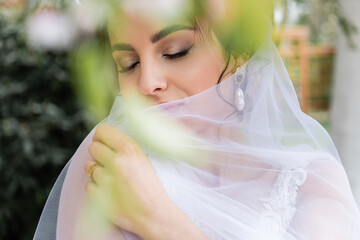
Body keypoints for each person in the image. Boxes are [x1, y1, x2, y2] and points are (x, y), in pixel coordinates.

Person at [34, 1, 360, 239]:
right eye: (128, 63)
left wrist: (162, 223)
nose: (148, 82)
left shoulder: (313, 181)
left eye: (176, 51)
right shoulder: (109, 165)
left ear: (241, 49)